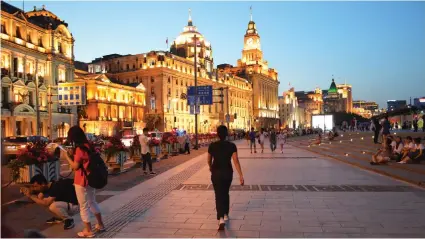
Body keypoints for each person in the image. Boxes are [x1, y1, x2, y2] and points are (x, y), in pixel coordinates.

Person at [61, 126, 104, 238]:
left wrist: (67, 157)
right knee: (92, 202)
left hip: (81, 180)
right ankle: (100, 224)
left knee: (83, 206)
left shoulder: (79, 149)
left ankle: (88, 230)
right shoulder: (89, 145)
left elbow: (75, 166)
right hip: (91, 178)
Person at [207, 125, 244, 230]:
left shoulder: (212, 146)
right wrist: (241, 175)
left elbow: (209, 160)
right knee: (225, 192)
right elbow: (235, 161)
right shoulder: (232, 146)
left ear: (218, 134)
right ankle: (226, 213)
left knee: (218, 194)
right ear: (227, 134)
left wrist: (210, 167)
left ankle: (221, 218)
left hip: (216, 172)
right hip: (228, 172)